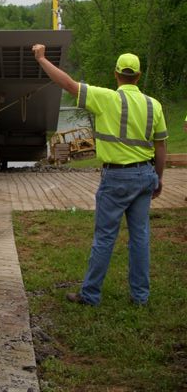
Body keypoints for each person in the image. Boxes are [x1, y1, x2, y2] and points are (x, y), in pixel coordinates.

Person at [32, 45, 168, 306]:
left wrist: (41, 59)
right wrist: (158, 178)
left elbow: (68, 84)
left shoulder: (106, 98)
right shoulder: (155, 106)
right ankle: (140, 297)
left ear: (116, 74)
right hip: (145, 175)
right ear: (139, 76)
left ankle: (91, 295)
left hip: (116, 179)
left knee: (105, 237)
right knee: (140, 237)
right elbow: (161, 147)